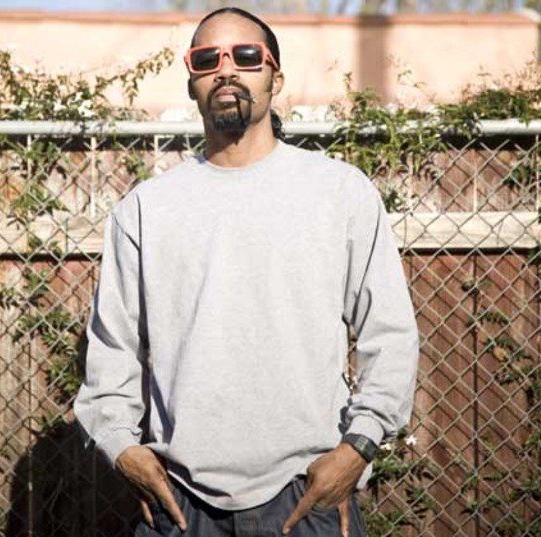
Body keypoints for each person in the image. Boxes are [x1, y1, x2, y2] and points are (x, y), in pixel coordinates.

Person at [74, 6, 419, 537]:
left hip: (307, 494)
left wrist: (357, 448)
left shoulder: (339, 192)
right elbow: (112, 347)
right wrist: (122, 447)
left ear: (275, 78)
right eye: (207, 59)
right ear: (192, 83)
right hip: (179, 503)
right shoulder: (146, 209)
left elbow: (389, 334)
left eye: (246, 56)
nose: (226, 69)